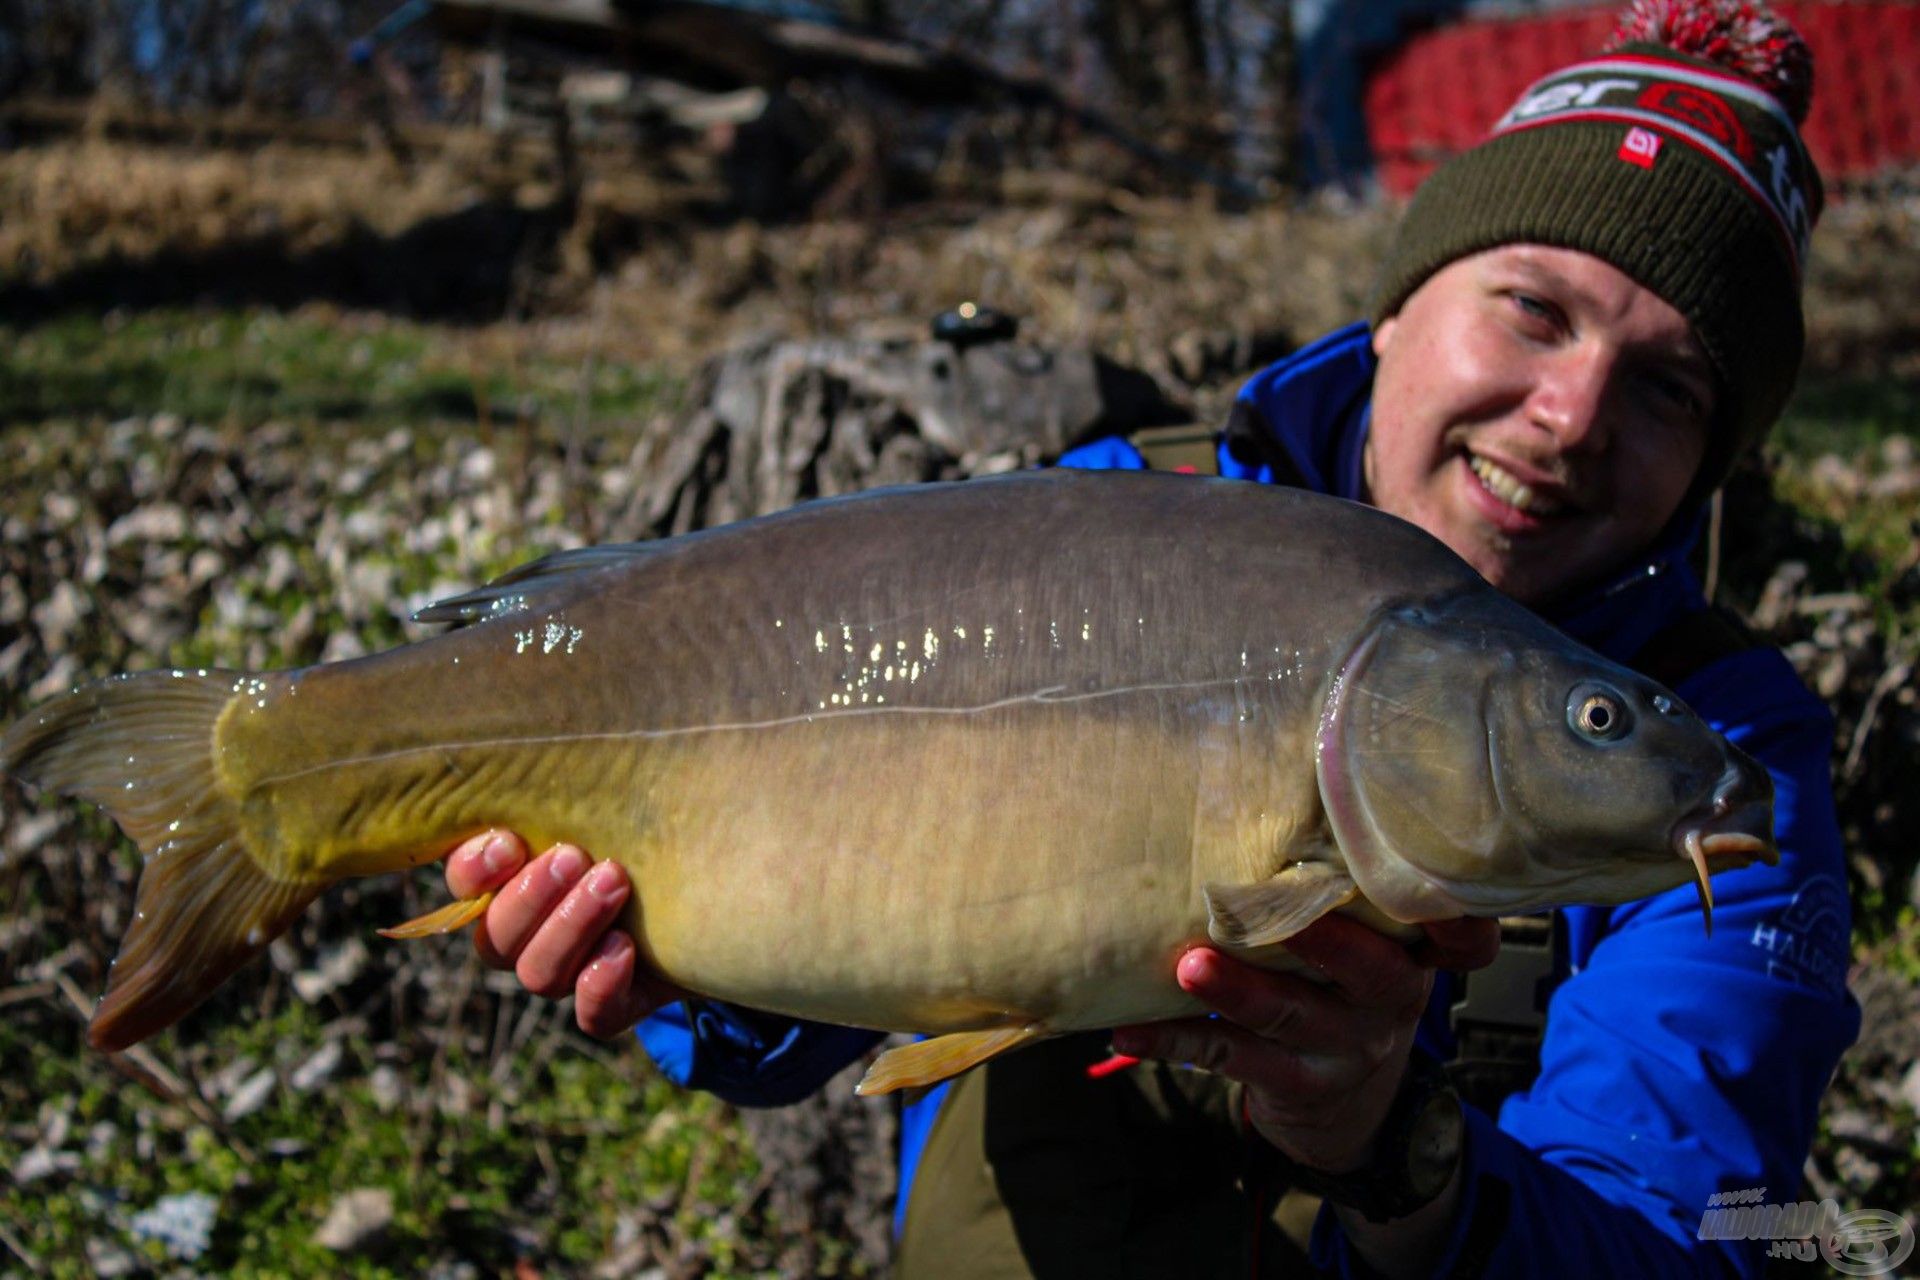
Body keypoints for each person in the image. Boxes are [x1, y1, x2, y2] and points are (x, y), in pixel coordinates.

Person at [434, 2, 1860, 1274]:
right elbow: (821, 966)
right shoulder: (1116, 516)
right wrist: (677, 969)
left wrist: (1389, 1147)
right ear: (1396, 314)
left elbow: (1688, 1234)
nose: (1571, 417)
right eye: (1533, 313)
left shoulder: (1721, 758)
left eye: (1668, 388)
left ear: (1715, 465)